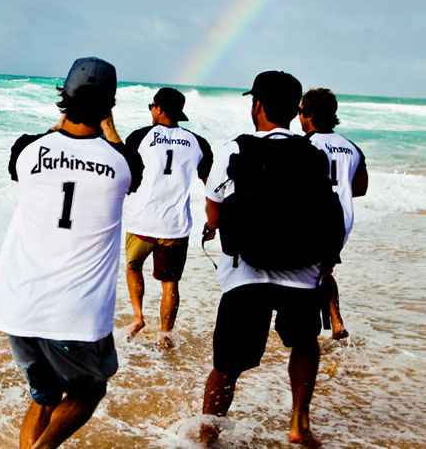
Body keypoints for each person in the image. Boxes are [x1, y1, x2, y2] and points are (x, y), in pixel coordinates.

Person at [0, 57, 142, 449]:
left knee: (43, 397)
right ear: (109, 105)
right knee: (89, 392)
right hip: (76, 313)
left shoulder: (27, 151)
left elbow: (43, 145)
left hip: (19, 306)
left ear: (64, 96)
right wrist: (109, 126)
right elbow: (131, 166)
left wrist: (62, 120)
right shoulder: (122, 163)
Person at [199, 71, 332, 448]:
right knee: (304, 342)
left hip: (246, 272)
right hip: (301, 270)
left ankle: (207, 436)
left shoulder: (234, 149)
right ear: (295, 109)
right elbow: (325, 210)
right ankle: (299, 424)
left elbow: (214, 207)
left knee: (227, 363)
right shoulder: (314, 152)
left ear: (257, 105)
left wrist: (215, 225)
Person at [122, 87, 212, 347]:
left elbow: (125, 176)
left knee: (133, 267)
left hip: (141, 221)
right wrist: (213, 221)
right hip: (175, 226)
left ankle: (138, 317)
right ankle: (165, 336)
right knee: (170, 283)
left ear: (159, 108)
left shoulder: (139, 137)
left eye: (151, 106)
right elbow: (210, 186)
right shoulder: (198, 142)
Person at [299, 88, 368, 340]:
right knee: (324, 269)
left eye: (300, 110)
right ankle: (336, 321)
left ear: (309, 114)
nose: (298, 116)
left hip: (316, 216)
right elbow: (360, 188)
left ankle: (309, 329)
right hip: (343, 219)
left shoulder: (304, 145)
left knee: (304, 272)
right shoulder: (351, 147)